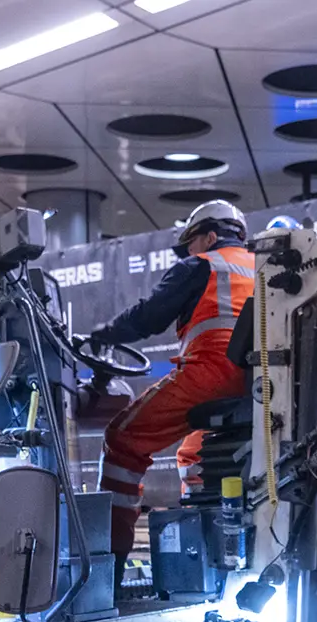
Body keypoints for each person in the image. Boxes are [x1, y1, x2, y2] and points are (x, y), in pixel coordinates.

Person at [87, 200, 254, 569]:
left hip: (211, 373)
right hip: (261, 385)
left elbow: (149, 316)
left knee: (122, 442)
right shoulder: (264, 267)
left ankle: (110, 562)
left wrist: (106, 335)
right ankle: (212, 545)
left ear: (211, 236)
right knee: (195, 454)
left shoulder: (202, 265)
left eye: (191, 242)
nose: (188, 251)